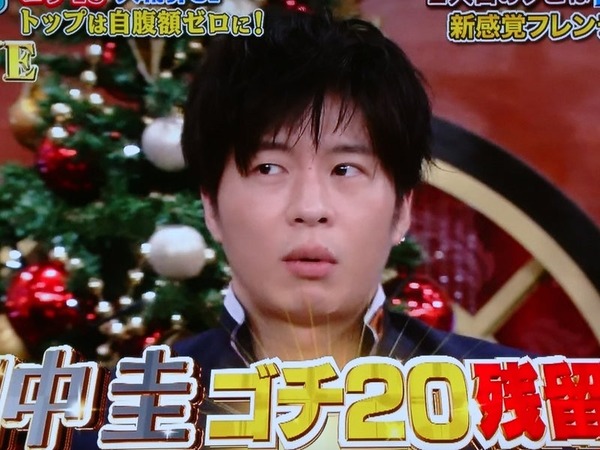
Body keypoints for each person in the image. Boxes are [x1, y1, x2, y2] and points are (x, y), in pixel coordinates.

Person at [71, 6, 527, 450]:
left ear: (402, 210)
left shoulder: (518, 409)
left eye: (346, 169)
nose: (310, 208)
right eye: (268, 168)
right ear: (211, 207)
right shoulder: (116, 424)